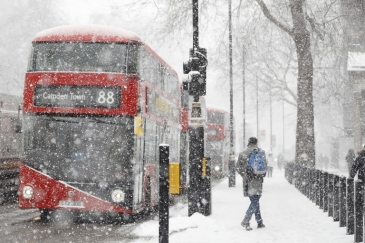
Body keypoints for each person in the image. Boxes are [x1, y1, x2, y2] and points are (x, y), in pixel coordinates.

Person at [236, 137, 266, 231]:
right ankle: (246, 220)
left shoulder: (242, 154)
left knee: (254, 200)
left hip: (247, 181)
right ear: (256, 143)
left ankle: (259, 221)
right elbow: (265, 166)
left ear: (248, 143)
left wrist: (245, 175)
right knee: (255, 200)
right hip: (258, 180)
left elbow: (238, 167)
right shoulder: (261, 152)